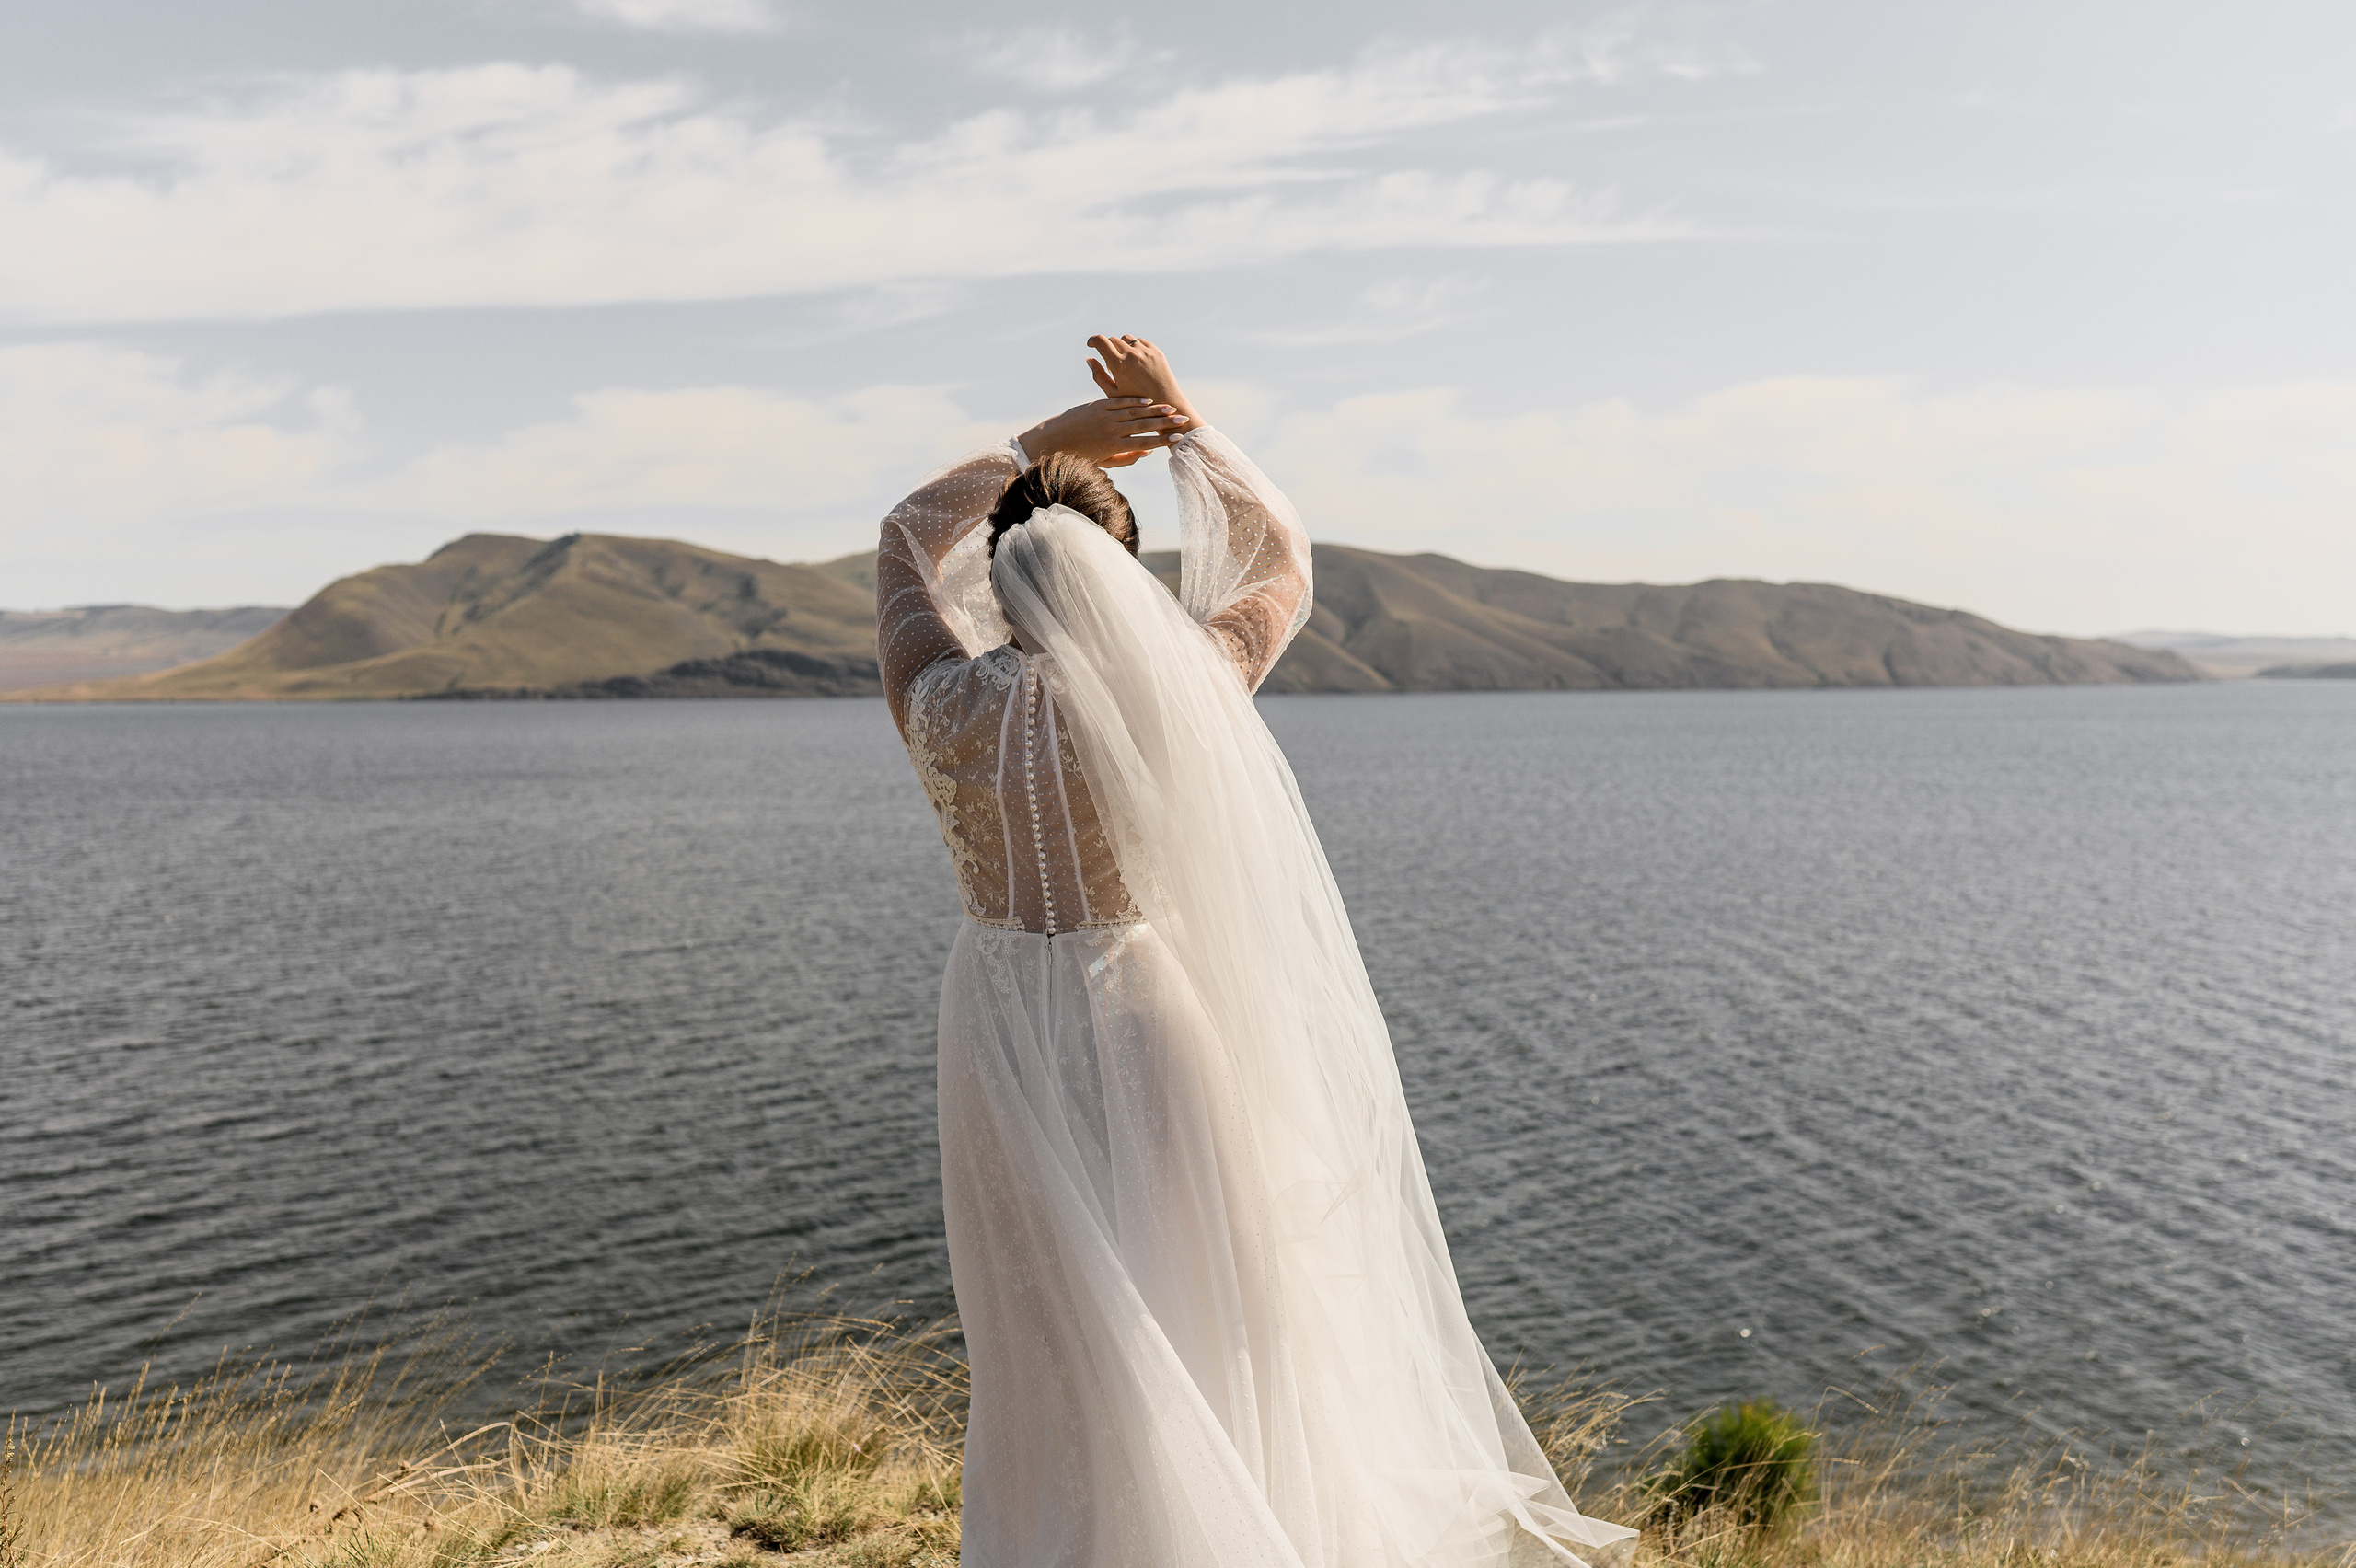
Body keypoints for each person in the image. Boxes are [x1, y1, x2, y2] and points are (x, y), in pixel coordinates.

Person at [876, 335, 1634, 1568]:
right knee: (1206, 1316)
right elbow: (1280, 560)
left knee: (1040, 1332)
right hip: (1142, 1017)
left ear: (999, 589)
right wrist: (1189, 426)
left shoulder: (936, 705)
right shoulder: (1187, 690)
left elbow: (907, 537)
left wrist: (1041, 445)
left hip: (999, 1031)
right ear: (1120, 574)